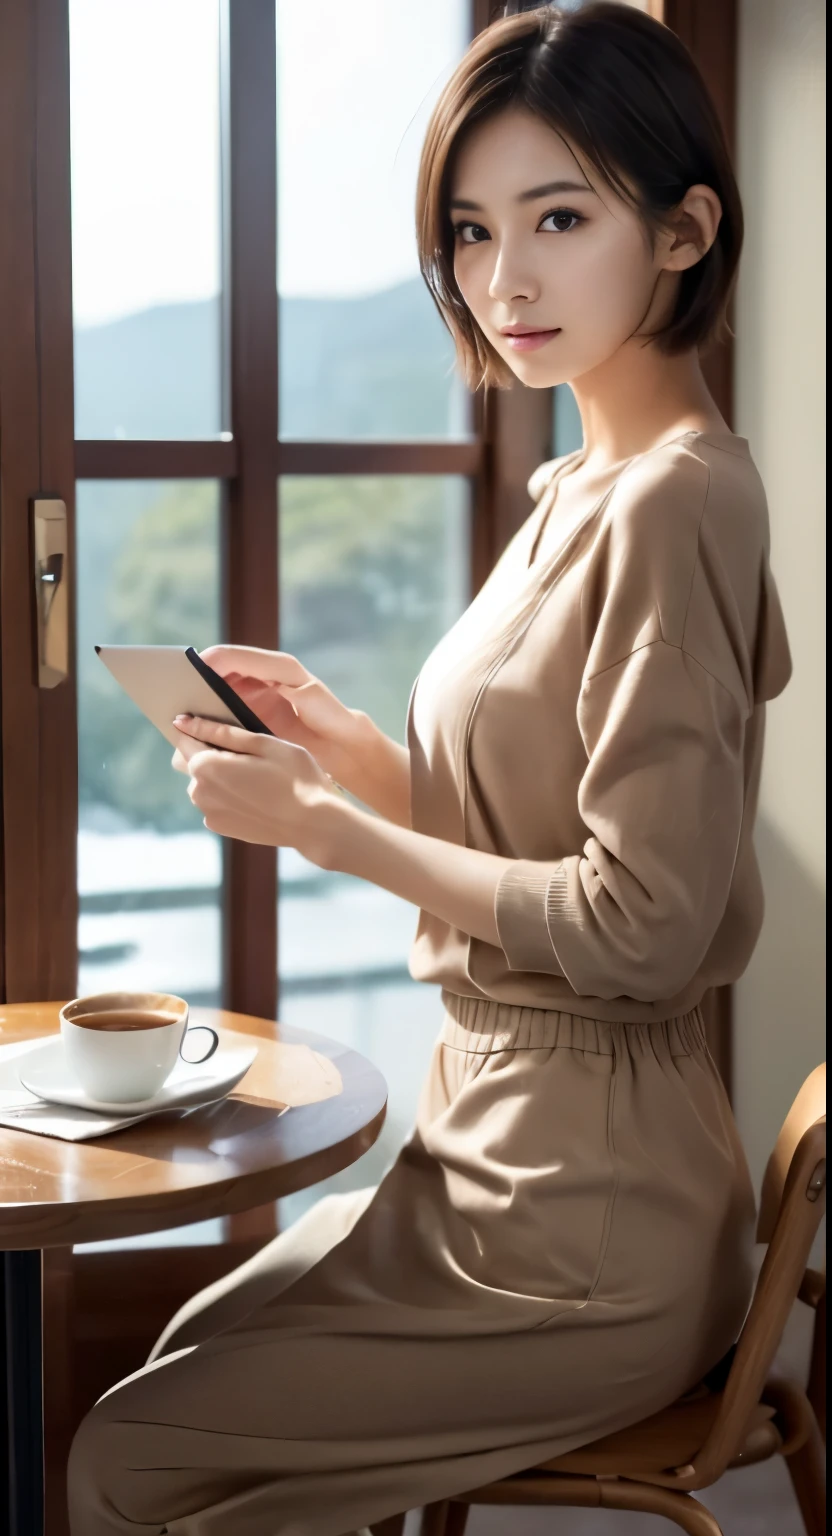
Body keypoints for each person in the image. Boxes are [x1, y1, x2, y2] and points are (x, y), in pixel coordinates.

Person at [68, 5, 793, 1533]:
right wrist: (359, 755)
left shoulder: (675, 503)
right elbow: (542, 832)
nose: (503, 277)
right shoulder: (574, 482)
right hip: (486, 1149)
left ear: (684, 230)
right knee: (177, 1372)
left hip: (583, 1213)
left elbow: (642, 922)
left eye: (560, 216)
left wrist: (335, 832)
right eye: (471, 230)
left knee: (132, 1461)